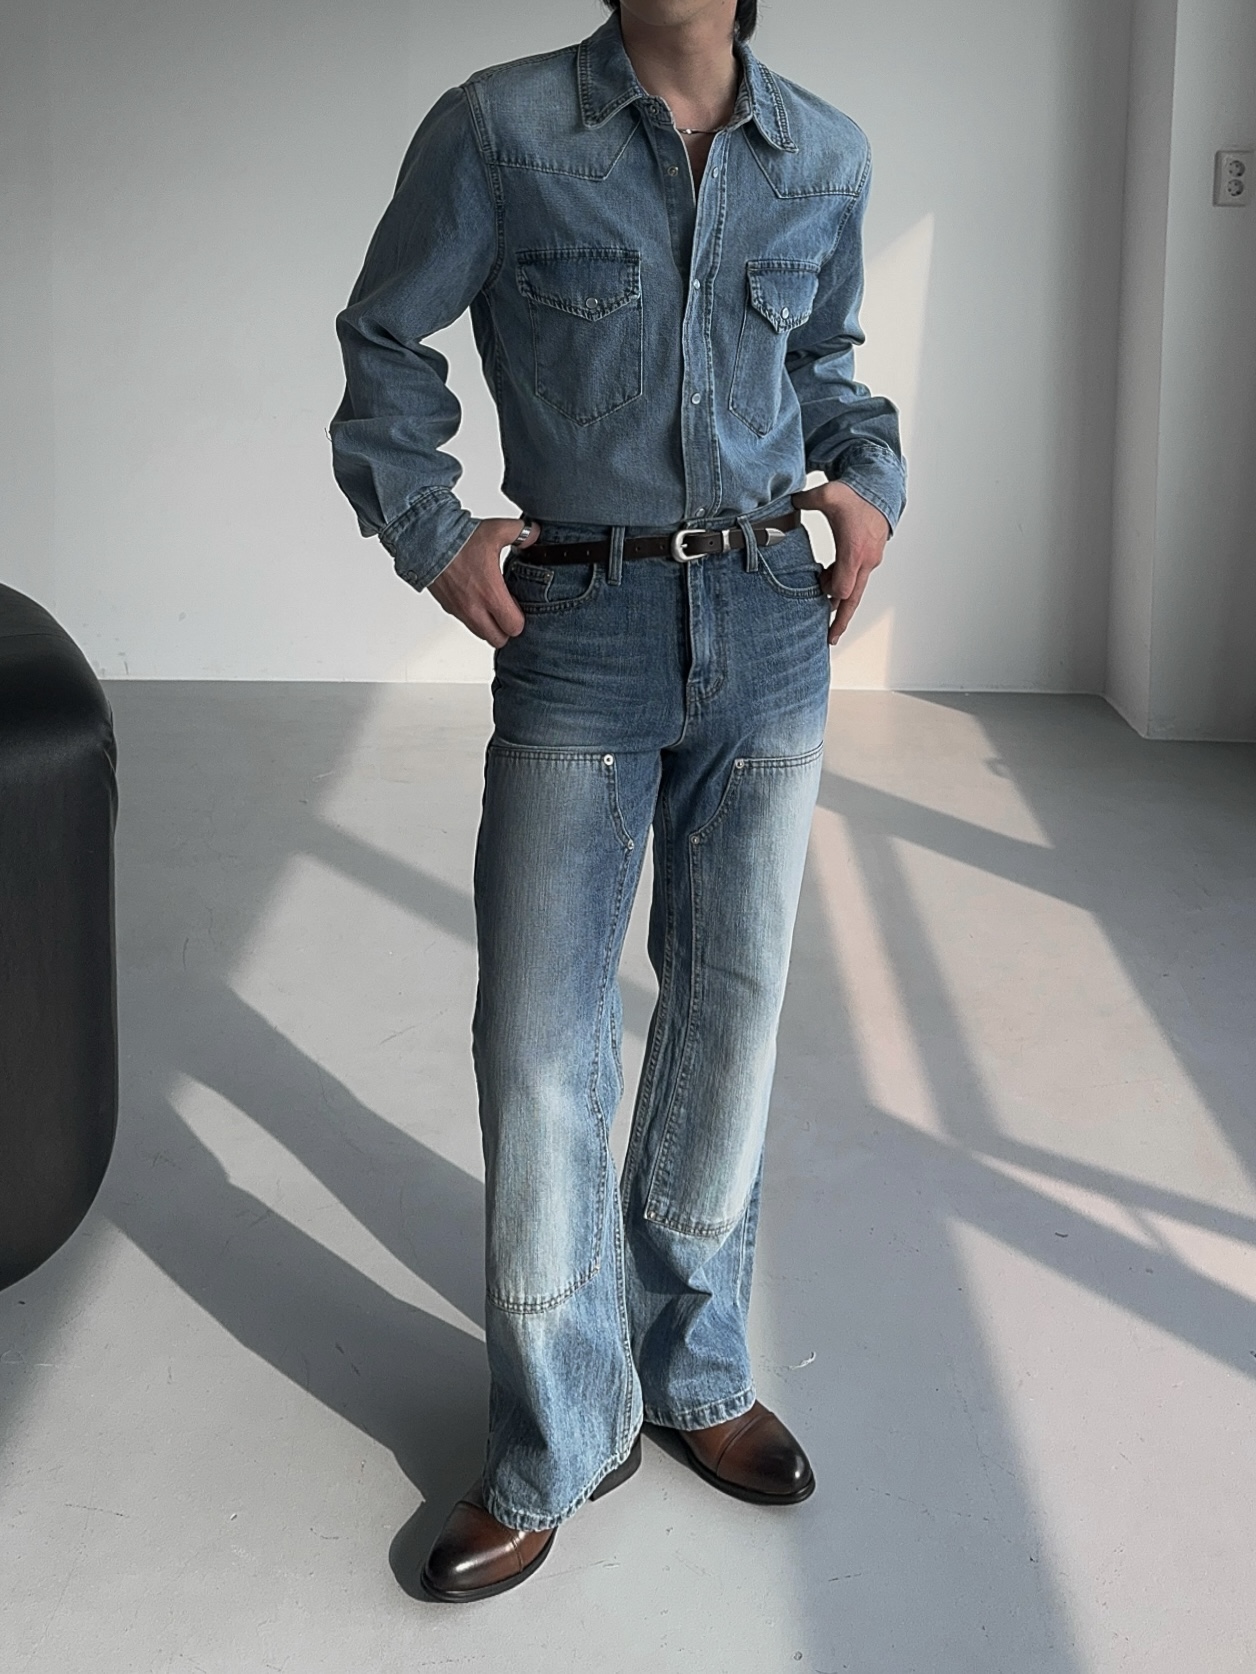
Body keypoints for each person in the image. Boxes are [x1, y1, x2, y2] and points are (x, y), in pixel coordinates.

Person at [330, 0, 905, 1603]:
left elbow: (830, 369)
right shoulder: (501, 130)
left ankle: (693, 1369)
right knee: (541, 1048)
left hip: (771, 627)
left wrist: (867, 484)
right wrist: (431, 528)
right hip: (580, 633)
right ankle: (555, 1432)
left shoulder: (825, 154)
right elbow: (384, 340)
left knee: (729, 1019)